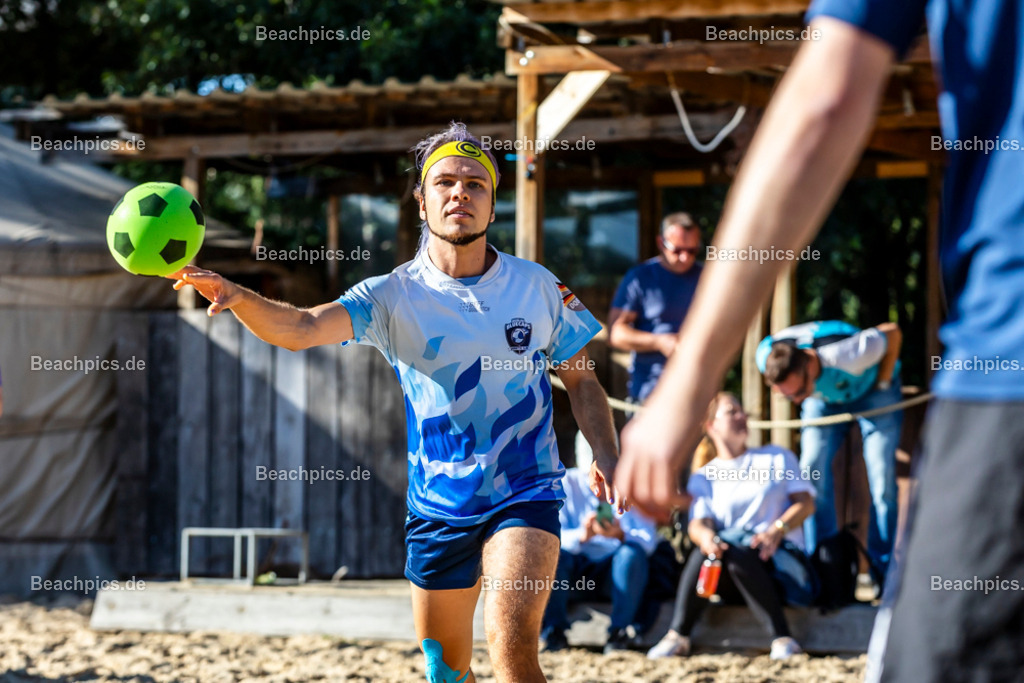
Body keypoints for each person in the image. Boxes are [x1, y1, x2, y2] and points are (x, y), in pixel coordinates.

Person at [617, 1, 1024, 681]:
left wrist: (685, 388)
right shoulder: (779, 367)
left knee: (879, 471)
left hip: (922, 375)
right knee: (820, 461)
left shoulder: (844, 354)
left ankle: (883, 556)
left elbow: (825, 99)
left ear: (807, 371)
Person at [169, 123, 625, 683]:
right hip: (436, 506)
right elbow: (302, 326)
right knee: (445, 670)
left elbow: (582, 382)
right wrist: (238, 297)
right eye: (446, 183)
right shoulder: (390, 294)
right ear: (422, 198)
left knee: (510, 649)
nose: (461, 193)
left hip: (524, 490)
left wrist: (605, 452)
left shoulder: (537, 287)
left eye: (476, 184)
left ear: (492, 201)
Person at [645, 393, 816, 661]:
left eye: (742, 411)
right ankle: (679, 636)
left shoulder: (776, 457)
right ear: (711, 425)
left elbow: (806, 504)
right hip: (736, 570)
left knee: (734, 550)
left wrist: (777, 529)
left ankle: (681, 635)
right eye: (732, 412)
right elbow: (698, 525)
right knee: (713, 551)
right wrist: (708, 539)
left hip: (780, 565)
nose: (742, 416)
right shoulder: (704, 476)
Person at [757, 320, 902, 576]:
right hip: (823, 398)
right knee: (811, 472)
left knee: (882, 481)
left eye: (798, 392)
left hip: (871, 387)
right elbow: (799, 390)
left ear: (810, 364)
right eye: (788, 396)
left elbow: (893, 333)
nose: (796, 401)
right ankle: (824, 568)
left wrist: (883, 381)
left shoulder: (850, 353)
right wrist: (804, 393)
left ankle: (884, 570)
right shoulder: (766, 357)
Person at [540, 464, 659, 654]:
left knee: (630, 554)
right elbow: (548, 537)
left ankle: (618, 633)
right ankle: (554, 632)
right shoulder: (565, 482)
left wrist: (620, 535)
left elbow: (649, 542)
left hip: (616, 572)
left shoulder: (637, 485)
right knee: (553, 554)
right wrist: (583, 535)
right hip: (574, 572)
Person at [608, 213, 702, 403]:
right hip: (650, 392)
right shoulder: (640, 278)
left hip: (699, 390)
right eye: (677, 250)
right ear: (661, 243)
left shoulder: (708, 277)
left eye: (691, 251)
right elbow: (615, 334)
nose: (685, 257)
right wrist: (660, 342)